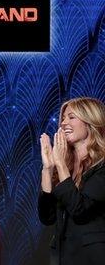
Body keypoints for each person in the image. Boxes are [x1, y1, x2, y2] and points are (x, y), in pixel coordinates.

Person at [38, 97, 105, 264]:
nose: (63, 123)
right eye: (63, 118)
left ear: (91, 121)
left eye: (71, 117)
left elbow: (80, 210)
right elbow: (47, 217)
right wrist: (48, 169)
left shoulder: (102, 166)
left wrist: (60, 165)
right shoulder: (65, 166)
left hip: (92, 257)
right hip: (62, 256)